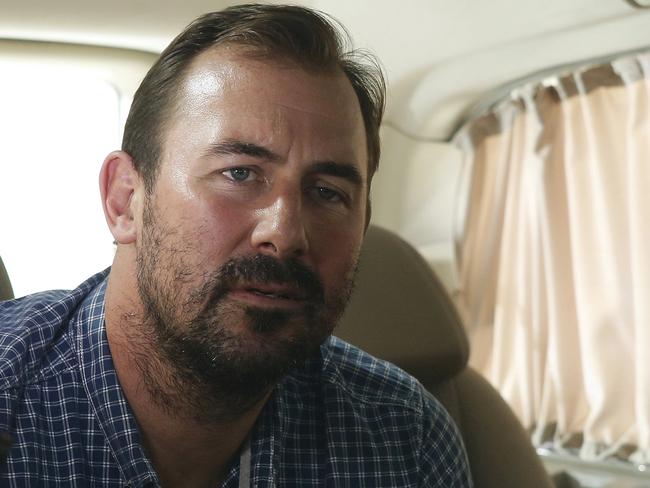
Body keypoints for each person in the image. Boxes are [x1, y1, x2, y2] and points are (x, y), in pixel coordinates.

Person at [0, 4, 472, 486]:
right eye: (239, 174)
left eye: (328, 193)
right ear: (126, 201)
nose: (285, 234)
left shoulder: (405, 438)